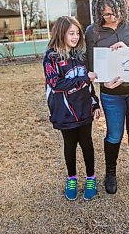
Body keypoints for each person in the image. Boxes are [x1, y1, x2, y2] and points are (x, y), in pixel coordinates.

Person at [85, 0, 129, 194]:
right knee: (114, 134)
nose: (109, 18)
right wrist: (102, 82)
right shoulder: (92, 31)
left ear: (121, 6)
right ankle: (110, 173)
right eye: (103, 14)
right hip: (112, 93)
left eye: (112, 13)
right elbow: (91, 64)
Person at [43, 16, 101, 201]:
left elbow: (89, 85)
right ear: (61, 33)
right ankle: (72, 178)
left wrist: (95, 103)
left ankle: (91, 178)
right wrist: (85, 79)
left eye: (77, 33)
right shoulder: (51, 57)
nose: (75, 37)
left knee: (87, 144)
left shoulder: (80, 56)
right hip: (65, 112)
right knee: (70, 145)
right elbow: (56, 83)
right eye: (71, 33)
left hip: (84, 108)